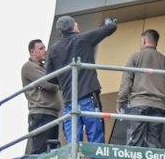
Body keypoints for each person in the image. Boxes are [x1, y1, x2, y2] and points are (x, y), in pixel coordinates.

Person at [50, 14, 119, 144]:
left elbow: (50, 76)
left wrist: (65, 81)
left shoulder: (54, 49)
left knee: (73, 141)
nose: (77, 25)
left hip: (69, 101)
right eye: (75, 23)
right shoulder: (82, 39)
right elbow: (109, 29)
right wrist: (110, 22)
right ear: (71, 27)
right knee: (95, 136)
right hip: (88, 98)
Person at [117, 29, 165, 147]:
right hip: (158, 106)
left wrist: (120, 102)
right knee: (153, 141)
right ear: (156, 42)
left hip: (139, 104)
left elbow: (126, 84)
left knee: (135, 141)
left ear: (144, 41)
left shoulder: (135, 57)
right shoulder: (164, 60)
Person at [20, 38, 61, 156]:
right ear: (32, 52)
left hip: (51, 114)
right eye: (41, 48)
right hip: (41, 114)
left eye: (45, 48)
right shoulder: (29, 67)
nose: (45, 51)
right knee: (40, 152)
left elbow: (52, 83)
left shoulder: (43, 68)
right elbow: (51, 85)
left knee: (52, 153)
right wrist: (51, 82)